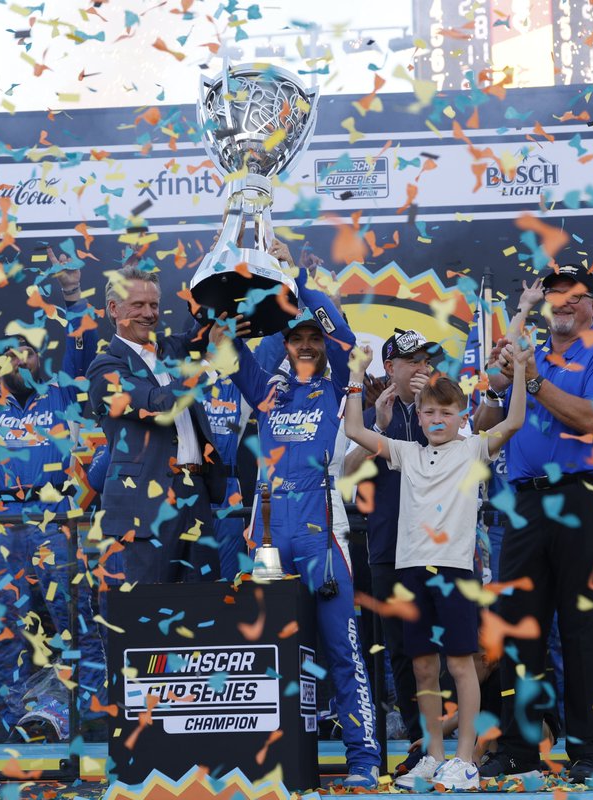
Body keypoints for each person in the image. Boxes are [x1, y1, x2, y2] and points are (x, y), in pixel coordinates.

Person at [208, 239, 381, 789]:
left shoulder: (338, 385)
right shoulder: (267, 390)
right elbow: (224, 347)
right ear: (284, 344)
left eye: (313, 338)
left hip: (321, 537)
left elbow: (344, 335)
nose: (306, 345)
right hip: (266, 537)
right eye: (297, 338)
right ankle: (266, 760)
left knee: (342, 651)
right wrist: (238, 295)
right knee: (263, 652)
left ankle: (363, 758)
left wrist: (295, 280)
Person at [477, 264, 593, 784]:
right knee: (518, 629)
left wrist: (532, 379)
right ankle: (519, 749)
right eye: (554, 292)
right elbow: (484, 421)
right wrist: (500, 381)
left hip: (591, 498)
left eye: (574, 293)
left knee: (584, 630)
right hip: (526, 502)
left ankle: (586, 750)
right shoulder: (530, 353)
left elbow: (592, 419)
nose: (563, 301)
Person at [0, 250, 107, 741]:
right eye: (9, 353)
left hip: (54, 515)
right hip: (1, 520)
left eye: (27, 351)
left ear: (38, 359)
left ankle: (86, 713)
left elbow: (83, 347)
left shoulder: (62, 394)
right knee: (3, 623)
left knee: (73, 617)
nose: (18, 358)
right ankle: (15, 718)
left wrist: (72, 293)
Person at [346, 339, 528, 791]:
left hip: (454, 572)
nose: (437, 420)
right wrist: (356, 375)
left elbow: (515, 420)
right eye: (429, 413)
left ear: (462, 416)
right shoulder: (404, 452)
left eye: (447, 412)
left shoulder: (473, 450)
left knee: (461, 665)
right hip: (410, 571)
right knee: (423, 668)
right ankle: (433, 755)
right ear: (420, 416)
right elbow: (353, 430)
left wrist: (522, 370)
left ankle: (464, 760)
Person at [86, 258, 225, 585]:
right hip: (145, 507)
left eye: (153, 305)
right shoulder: (105, 368)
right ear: (114, 309)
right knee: (149, 607)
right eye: (138, 305)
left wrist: (220, 257)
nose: (149, 313)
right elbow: (156, 404)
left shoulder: (172, 349)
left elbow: (212, 320)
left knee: (206, 604)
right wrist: (209, 365)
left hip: (196, 494)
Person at [342, 329, 436, 748]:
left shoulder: (443, 405)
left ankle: (451, 737)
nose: (420, 368)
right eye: (411, 361)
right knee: (399, 649)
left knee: (445, 646)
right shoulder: (368, 413)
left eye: (424, 360)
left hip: (438, 547)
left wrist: (429, 411)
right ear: (390, 367)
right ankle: (419, 742)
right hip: (388, 547)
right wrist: (378, 430)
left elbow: (466, 461)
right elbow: (346, 476)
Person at [200, 376, 251, 580]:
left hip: (228, 486)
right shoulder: (183, 377)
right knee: (194, 566)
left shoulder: (242, 386)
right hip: (193, 483)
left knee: (228, 570)